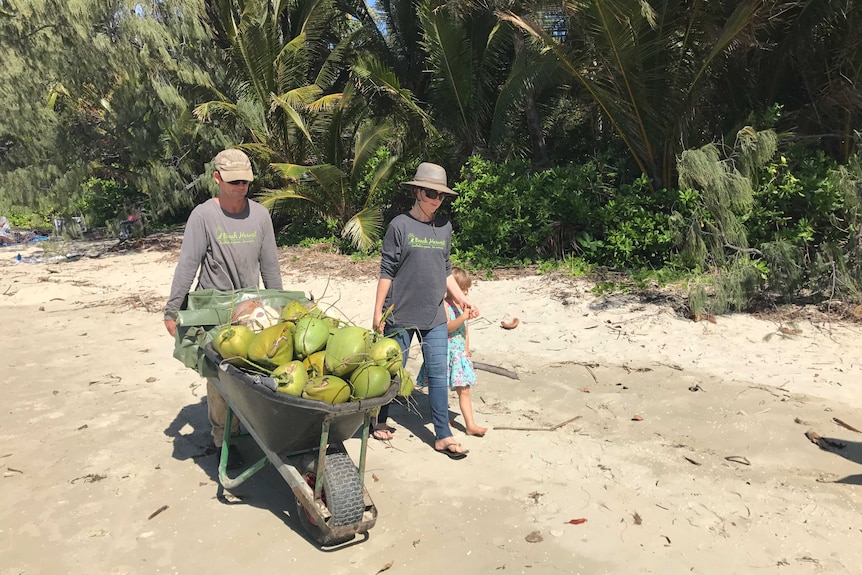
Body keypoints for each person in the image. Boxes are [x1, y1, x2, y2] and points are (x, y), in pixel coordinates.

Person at [163, 148, 283, 468]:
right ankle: (222, 438)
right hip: (213, 309)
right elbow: (188, 264)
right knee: (221, 378)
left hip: (251, 307)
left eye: (245, 181)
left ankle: (252, 426)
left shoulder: (260, 216)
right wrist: (173, 311)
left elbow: (270, 268)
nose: (240, 187)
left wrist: (282, 310)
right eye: (234, 182)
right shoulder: (203, 216)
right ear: (217, 178)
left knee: (258, 370)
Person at [372, 162, 478, 460]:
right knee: (393, 371)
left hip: (434, 315)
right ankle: (378, 419)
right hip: (401, 313)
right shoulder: (399, 226)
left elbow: (445, 271)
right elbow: (386, 271)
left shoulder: (444, 227)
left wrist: (461, 300)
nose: (436, 200)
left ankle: (443, 435)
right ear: (417, 191)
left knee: (438, 373)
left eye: (441, 195)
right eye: (431, 193)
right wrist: (378, 312)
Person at [417, 267, 487, 437]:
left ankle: (470, 424)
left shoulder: (462, 305)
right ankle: (442, 417)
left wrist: (466, 349)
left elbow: (466, 329)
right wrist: (462, 317)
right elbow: (446, 328)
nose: (465, 292)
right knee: (441, 387)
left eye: (466, 289)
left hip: (459, 354)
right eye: (462, 289)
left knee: (464, 389)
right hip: (447, 352)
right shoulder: (444, 306)